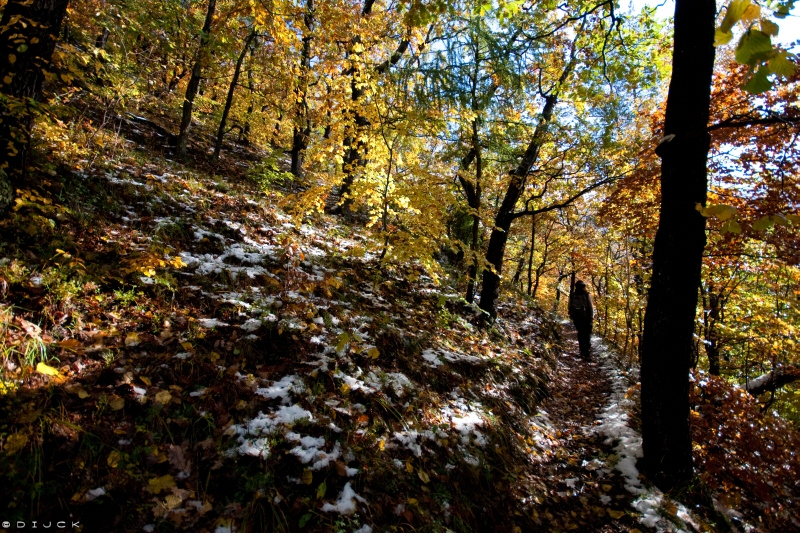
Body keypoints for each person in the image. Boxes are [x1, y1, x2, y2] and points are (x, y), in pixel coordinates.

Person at [568, 280, 594, 360]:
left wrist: (571, 314)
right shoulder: (586, 294)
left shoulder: (572, 295)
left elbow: (569, 306)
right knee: (586, 333)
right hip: (586, 317)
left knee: (580, 333)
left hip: (577, 317)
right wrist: (591, 316)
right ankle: (586, 352)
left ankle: (582, 351)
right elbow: (590, 306)